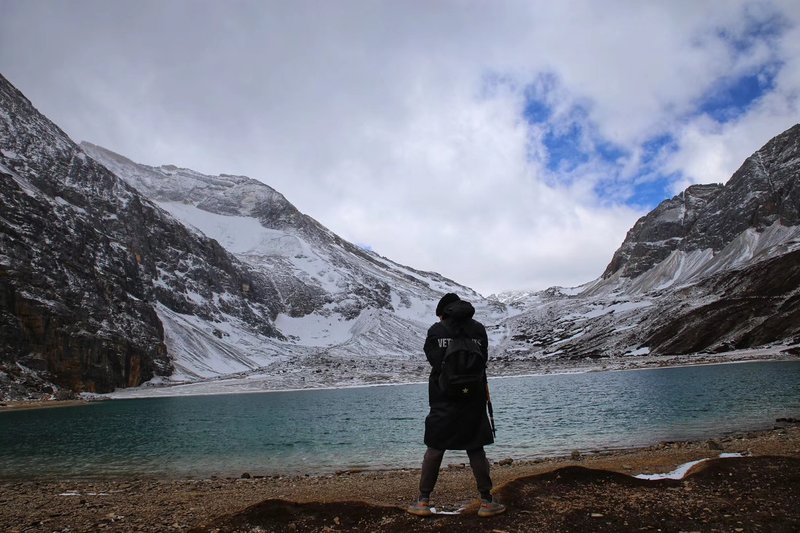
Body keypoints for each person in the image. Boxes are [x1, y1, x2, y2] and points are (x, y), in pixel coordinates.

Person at [407, 293, 506, 518]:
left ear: (443, 312)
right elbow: (483, 360)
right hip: (474, 399)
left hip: (443, 399)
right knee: (476, 448)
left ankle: (423, 501)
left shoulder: (436, 331)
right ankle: (487, 502)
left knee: (435, 448)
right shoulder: (478, 330)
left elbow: (434, 361)